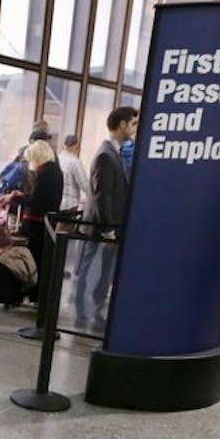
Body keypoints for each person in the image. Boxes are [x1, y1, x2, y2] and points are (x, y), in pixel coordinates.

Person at [75, 105, 138, 329]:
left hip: (110, 225)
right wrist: (108, 228)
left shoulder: (116, 153)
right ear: (121, 124)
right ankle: (83, 313)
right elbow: (102, 196)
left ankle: (95, 309)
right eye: (132, 123)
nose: (134, 129)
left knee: (104, 271)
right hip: (101, 226)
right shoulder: (105, 155)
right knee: (89, 269)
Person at [58, 133, 91, 217]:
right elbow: (84, 185)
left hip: (56, 202)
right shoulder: (75, 162)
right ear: (76, 146)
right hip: (70, 204)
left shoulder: (56, 159)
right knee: (65, 229)